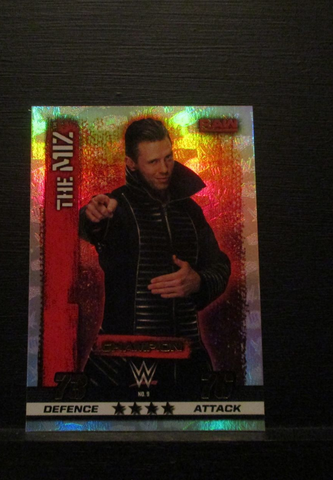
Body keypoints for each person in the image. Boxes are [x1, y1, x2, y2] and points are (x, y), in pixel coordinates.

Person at [79, 118, 230, 397]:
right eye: (153, 162)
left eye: (168, 158)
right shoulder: (116, 208)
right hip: (121, 364)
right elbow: (91, 225)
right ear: (131, 163)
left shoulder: (190, 211)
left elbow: (220, 266)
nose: (164, 169)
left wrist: (198, 281)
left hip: (188, 362)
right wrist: (93, 216)